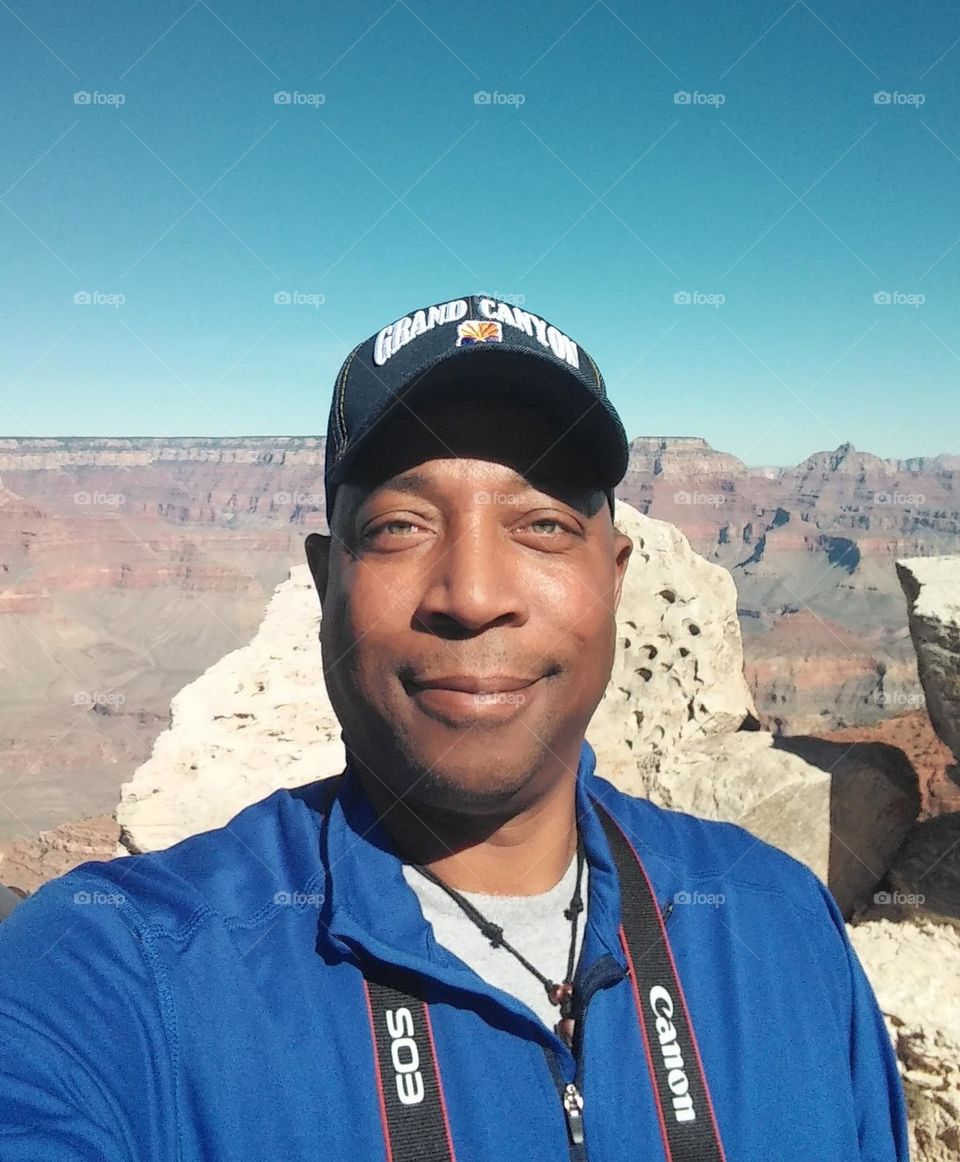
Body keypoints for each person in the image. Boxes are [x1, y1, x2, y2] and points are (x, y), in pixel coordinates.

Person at [0, 294, 908, 1161]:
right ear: (325, 585)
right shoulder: (115, 974)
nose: (473, 595)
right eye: (399, 526)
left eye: (544, 525)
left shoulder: (777, 926)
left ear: (617, 578)